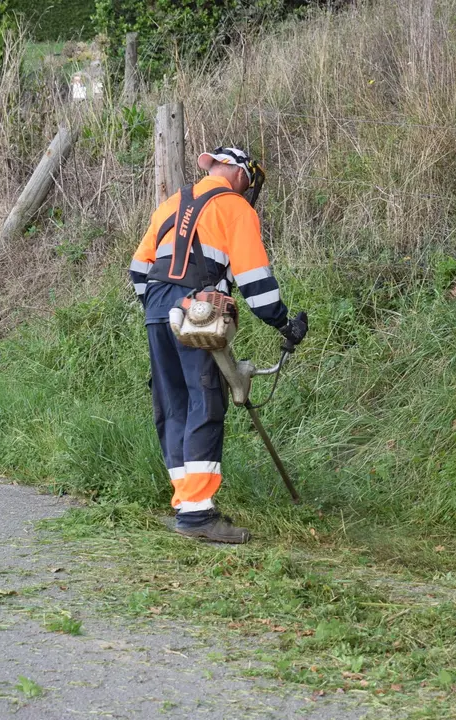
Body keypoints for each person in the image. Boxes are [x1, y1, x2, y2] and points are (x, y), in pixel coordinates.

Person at [128, 146, 307, 543]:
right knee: (205, 403)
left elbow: (139, 270)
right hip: (198, 314)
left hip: (157, 309)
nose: (249, 189)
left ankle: (184, 503)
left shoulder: (172, 203)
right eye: (250, 181)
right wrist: (282, 322)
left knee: (172, 404)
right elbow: (254, 279)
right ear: (241, 173)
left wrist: (163, 305)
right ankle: (197, 517)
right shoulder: (235, 208)